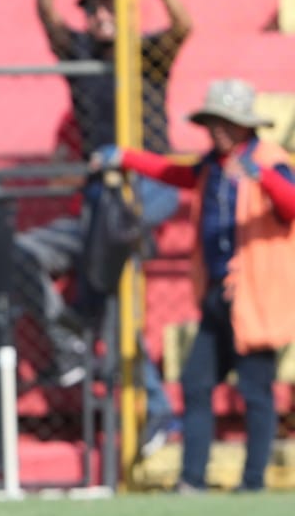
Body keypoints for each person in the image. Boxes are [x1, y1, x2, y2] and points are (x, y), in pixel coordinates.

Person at [15, 0, 192, 451]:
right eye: (92, 8)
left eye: (108, 8)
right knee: (26, 253)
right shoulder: (83, 54)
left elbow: (182, 30)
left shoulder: (145, 54)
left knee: (116, 234)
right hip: (98, 202)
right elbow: (50, 25)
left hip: (147, 183)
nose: (99, 17)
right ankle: (70, 338)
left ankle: (90, 304)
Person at [92, 79, 295, 492]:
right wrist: (127, 157)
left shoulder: (271, 160)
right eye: (212, 123)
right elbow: (177, 174)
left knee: (256, 390)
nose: (216, 131)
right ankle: (192, 478)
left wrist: (263, 179)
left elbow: (291, 206)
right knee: (195, 383)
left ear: (243, 125)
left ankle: (253, 482)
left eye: (224, 123)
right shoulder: (212, 166)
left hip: (256, 298)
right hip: (219, 296)